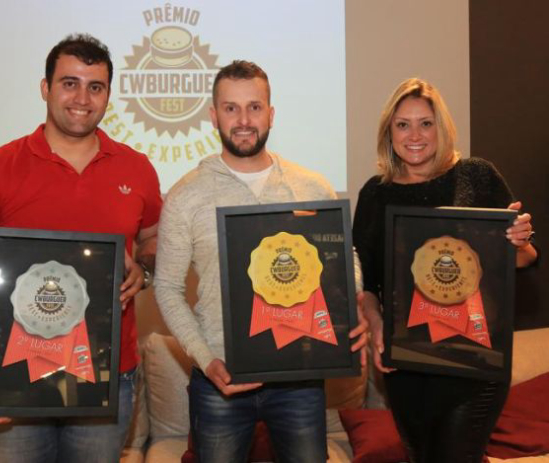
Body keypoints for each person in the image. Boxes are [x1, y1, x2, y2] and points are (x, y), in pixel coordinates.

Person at [0, 34, 162, 463]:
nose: (82, 98)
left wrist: (145, 268)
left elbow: (153, 240)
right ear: (45, 88)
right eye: (69, 83)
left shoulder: (137, 168)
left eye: (96, 86)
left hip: (107, 377)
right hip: (12, 379)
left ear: (109, 94)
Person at [154, 60, 368, 463]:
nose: (243, 120)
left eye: (254, 107)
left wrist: (348, 305)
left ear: (271, 113)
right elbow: (166, 288)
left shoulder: (310, 185)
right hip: (220, 379)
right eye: (231, 108)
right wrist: (204, 358)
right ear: (213, 115)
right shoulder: (186, 196)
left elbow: (346, 258)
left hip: (300, 378)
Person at [353, 77, 538, 463]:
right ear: (390, 131)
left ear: (442, 127)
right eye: (403, 124)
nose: (414, 134)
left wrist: (518, 242)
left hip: (473, 360)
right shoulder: (376, 193)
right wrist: (376, 329)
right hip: (406, 364)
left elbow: (525, 260)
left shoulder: (477, 175)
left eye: (426, 122)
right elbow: (367, 283)